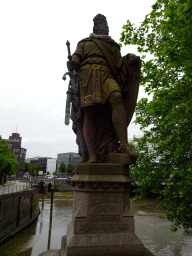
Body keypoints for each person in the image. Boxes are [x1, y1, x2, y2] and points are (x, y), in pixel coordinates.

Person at [67, 14, 140, 163]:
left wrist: (130, 60)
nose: (100, 25)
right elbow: (76, 57)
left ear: (107, 26)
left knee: (116, 96)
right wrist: (73, 63)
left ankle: (124, 145)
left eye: (103, 22)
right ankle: (92, 154)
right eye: (97, 22)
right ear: (94, 27)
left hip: (106, 74)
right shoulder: (84, 43)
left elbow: (119, 66)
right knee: (89, 112)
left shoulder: (113, 46)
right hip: (87, 77)